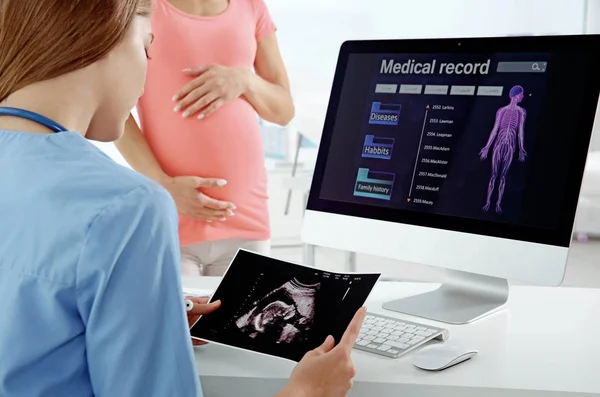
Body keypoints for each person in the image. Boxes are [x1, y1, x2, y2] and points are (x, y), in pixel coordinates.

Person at [0, 1, 364, 396]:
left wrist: (145, 315)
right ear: (100, 36)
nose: (143, 82)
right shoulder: (126, 207)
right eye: (147, 48)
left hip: (245, 218)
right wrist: (307, 392)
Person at [115, 0, 295, 277]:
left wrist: (245, 80)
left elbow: (283, 110)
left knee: (244, 321)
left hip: (247, 222)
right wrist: (163, 184)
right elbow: (112, 108)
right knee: (178, 321)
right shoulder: (139, 7)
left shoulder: (251, 6)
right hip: (173, 219)